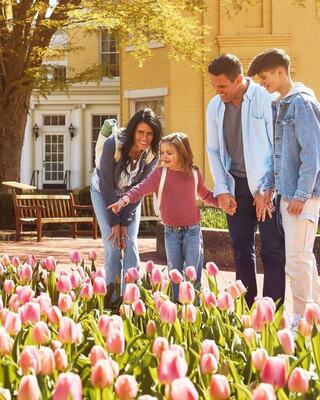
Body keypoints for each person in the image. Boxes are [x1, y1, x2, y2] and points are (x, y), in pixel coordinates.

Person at [206, 53, 286, 308]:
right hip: (236, 185)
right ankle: (247, 308)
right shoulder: (214, 106)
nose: (218, 91)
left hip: (266, 187)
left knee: (272, 250)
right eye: (214, 86)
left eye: (222, 86)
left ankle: (273, 311)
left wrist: (268, 189)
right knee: (241, 248)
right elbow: (214, 150)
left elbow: (277, 147)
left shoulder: (266, 100)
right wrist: (222, 190)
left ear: (239, 79)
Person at [247, 48, 320, 326]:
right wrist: (270, 189)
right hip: (289, 194)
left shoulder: (301, 103)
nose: (262, 83)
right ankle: (314, 316)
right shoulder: (281, 103)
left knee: (296, 261)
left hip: (304, 196)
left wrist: (301, 194)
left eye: (265, 77)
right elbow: (281, 156)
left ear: (280, 71)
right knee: (304, 259)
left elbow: (312, 154)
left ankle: (302, 319)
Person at [108, 132, 218, 299]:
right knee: (174, 273)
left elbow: (206, 196)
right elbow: (140, 188)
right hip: (171, 233)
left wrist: (223, 203)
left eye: (169, 153)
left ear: (182, 152)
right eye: (162, 153)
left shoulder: (194, 173)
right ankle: (174, 308)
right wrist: (123, 201)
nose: (164, 156)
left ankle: (194, 311)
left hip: (193, 232)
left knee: (193, 274)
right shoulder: (160, 174)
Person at [90, 108, 162, 302]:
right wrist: (115, 221)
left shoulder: (152, 154)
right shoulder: (113, 145)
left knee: (130, 242)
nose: (144, 138)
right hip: (104, 193)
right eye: (140, 132)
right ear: (133, 131)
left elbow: (141, 188)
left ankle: (131, 299)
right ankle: (112, 300)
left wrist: (125, 219)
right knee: (114, 244)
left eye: (149, 134)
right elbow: (106, 184)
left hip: (130, 197)